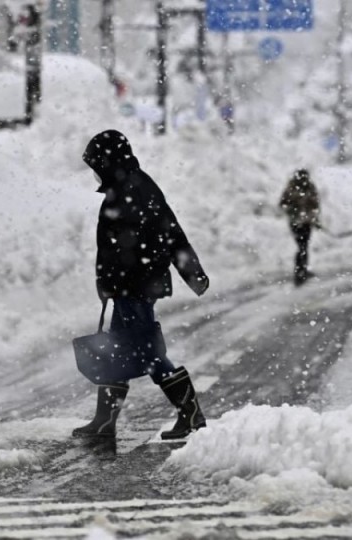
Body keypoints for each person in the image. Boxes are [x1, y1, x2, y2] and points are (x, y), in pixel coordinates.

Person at [75, 129, 210, 440]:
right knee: (116, 351)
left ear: (108, 162)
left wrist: (192, 273)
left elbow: (168, 233)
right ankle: (104, 421)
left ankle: (191, 413)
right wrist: (107, 282)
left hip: (136, 288)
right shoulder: (128, 187)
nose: (94, 173)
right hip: (128, 287)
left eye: (96, 165)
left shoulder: (136, 190)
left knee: (149, 353)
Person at [279, 169, 320, 286]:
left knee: (304, 246)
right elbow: (283, 203)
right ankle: (299, 272)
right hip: (296, 223)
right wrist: (294, 211)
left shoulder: (310, 187)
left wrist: (314, 218)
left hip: (306, 222)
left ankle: (302, 270)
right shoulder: (292, 189)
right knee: (302, 247)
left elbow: (315, 204)